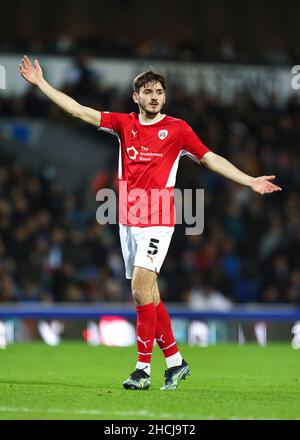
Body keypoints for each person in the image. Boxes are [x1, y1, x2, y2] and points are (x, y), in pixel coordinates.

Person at [19, 56, 282, 391]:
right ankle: (175, 362)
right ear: (136, 97)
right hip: (128, 223)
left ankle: (142, 370)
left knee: (140, 289)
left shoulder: (178, 130)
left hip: (159, 219)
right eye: (148, 91)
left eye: (159, 91)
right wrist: (41, 84)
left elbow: (210, 158)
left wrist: (248, 180)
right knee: (149, 297)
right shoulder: (122, 124)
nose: (155, 96)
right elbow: (78, 111)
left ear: (164, 97)